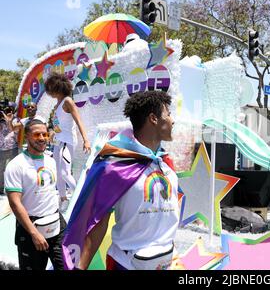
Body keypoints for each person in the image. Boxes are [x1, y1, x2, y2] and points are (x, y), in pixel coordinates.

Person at [62, 91, 179, 270]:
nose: (172, 120)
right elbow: (97, 222)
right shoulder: (114, 166)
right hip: (126, 264)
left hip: (165, 262)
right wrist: (80, 267)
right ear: (154, 118)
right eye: (168, 114)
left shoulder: (165, 163)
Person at [4, 119, 66, 270]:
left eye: (44, 134)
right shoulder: (16, 165)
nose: (42, 138)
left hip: (55, 222)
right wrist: (34, 233)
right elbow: (15, 203)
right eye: (37, 134)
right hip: (30, 228)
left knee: (67, 265)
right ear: (26, 137)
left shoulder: (51, 161)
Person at [44, 72, 91, 211]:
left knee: (65, 173)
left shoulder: (67, 101)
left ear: (59, 86)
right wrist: (52, 133)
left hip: (67, 141)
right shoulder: (57, 104)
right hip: (58, 141)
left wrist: (86, 140)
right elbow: (58, 126)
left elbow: (79, 121)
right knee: (58, 172)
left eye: (52, 87)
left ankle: (82, 198)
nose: (50, 90)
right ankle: (63, 199)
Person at [1, 106, 19, 195]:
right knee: (1, 170)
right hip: (1, 149)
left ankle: (13, 188)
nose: (8, 112)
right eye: (6, 110)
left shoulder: (16, 120)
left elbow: (12, 129)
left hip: (12, 148)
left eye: (10, 110)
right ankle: (1, 188)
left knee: (12, 169)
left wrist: (9, 120)